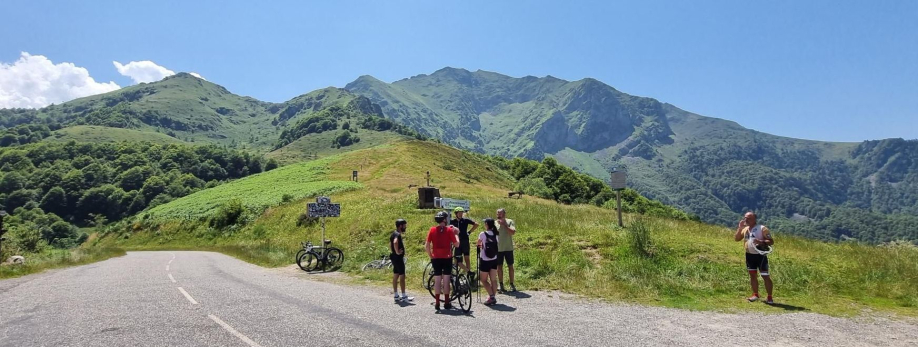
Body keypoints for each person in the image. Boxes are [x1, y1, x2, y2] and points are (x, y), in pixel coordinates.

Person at [733, 211, 775, 304]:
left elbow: (771, 241)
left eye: (749, 218)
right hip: (749, 255)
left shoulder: (762, 228)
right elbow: (736, 239)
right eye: (745, 218)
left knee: (765, 276)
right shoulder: (745, 229)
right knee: (752, 275)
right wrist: (740, 228)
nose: (746, 220)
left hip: (760, 255)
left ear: (754, 219)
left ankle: (769, 297)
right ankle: (755, 294)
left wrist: (761, 241)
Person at [426, 210, 460, 311]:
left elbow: (427, 245)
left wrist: (431, 255)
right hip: (447, 257)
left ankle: (437, 303)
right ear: (445, 220)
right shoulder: (449, 230)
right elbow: (457, 244)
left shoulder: (432, 230)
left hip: (436, 258)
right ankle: (446, 302)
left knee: (437, 281)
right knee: (446, 281)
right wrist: (457, 234)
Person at [449, 206, 479, 278]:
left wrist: (469, 232)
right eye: (459, 213)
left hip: (465, 241)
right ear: (456, 213)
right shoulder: (452, 222)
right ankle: (457, 275)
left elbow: (476, 224)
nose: (461, 214)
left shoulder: (465, 220)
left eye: (462, 213)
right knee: (456, 259)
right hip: (457, 242)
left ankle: (469, 274)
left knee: (467, 258)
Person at [476, 218, 500, 305]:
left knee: (483, 279)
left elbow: (478, 244)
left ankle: (491, 297)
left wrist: (481, 245)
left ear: (486, 224)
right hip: (494, 259)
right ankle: (492, 296)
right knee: (493, 279)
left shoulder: (483, 234)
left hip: (485, 260)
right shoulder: (496, 234)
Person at [390, 219, 413, 303]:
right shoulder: (398, 234)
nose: (405, 227)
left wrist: (393, 252)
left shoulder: (393, 233)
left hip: (394, 258)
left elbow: (391, 244)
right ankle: (404, 296)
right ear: (400, 226)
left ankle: (396, 295)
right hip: (398, 258)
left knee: (395, 275)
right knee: (402, 276)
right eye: (404, 225)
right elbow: (395, 242)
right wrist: (397, 252)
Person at [495, 208, 517, 293]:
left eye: (500, 213)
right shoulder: (494, 223)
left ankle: (512, 284)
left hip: (508, 248)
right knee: (499, 267)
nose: (499, 215)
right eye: (498, 213)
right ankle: (501, 285)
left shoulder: (510, 221)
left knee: (510, 266)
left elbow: (512, 233)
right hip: (498, 249)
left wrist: (504, 225)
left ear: (504, 214)